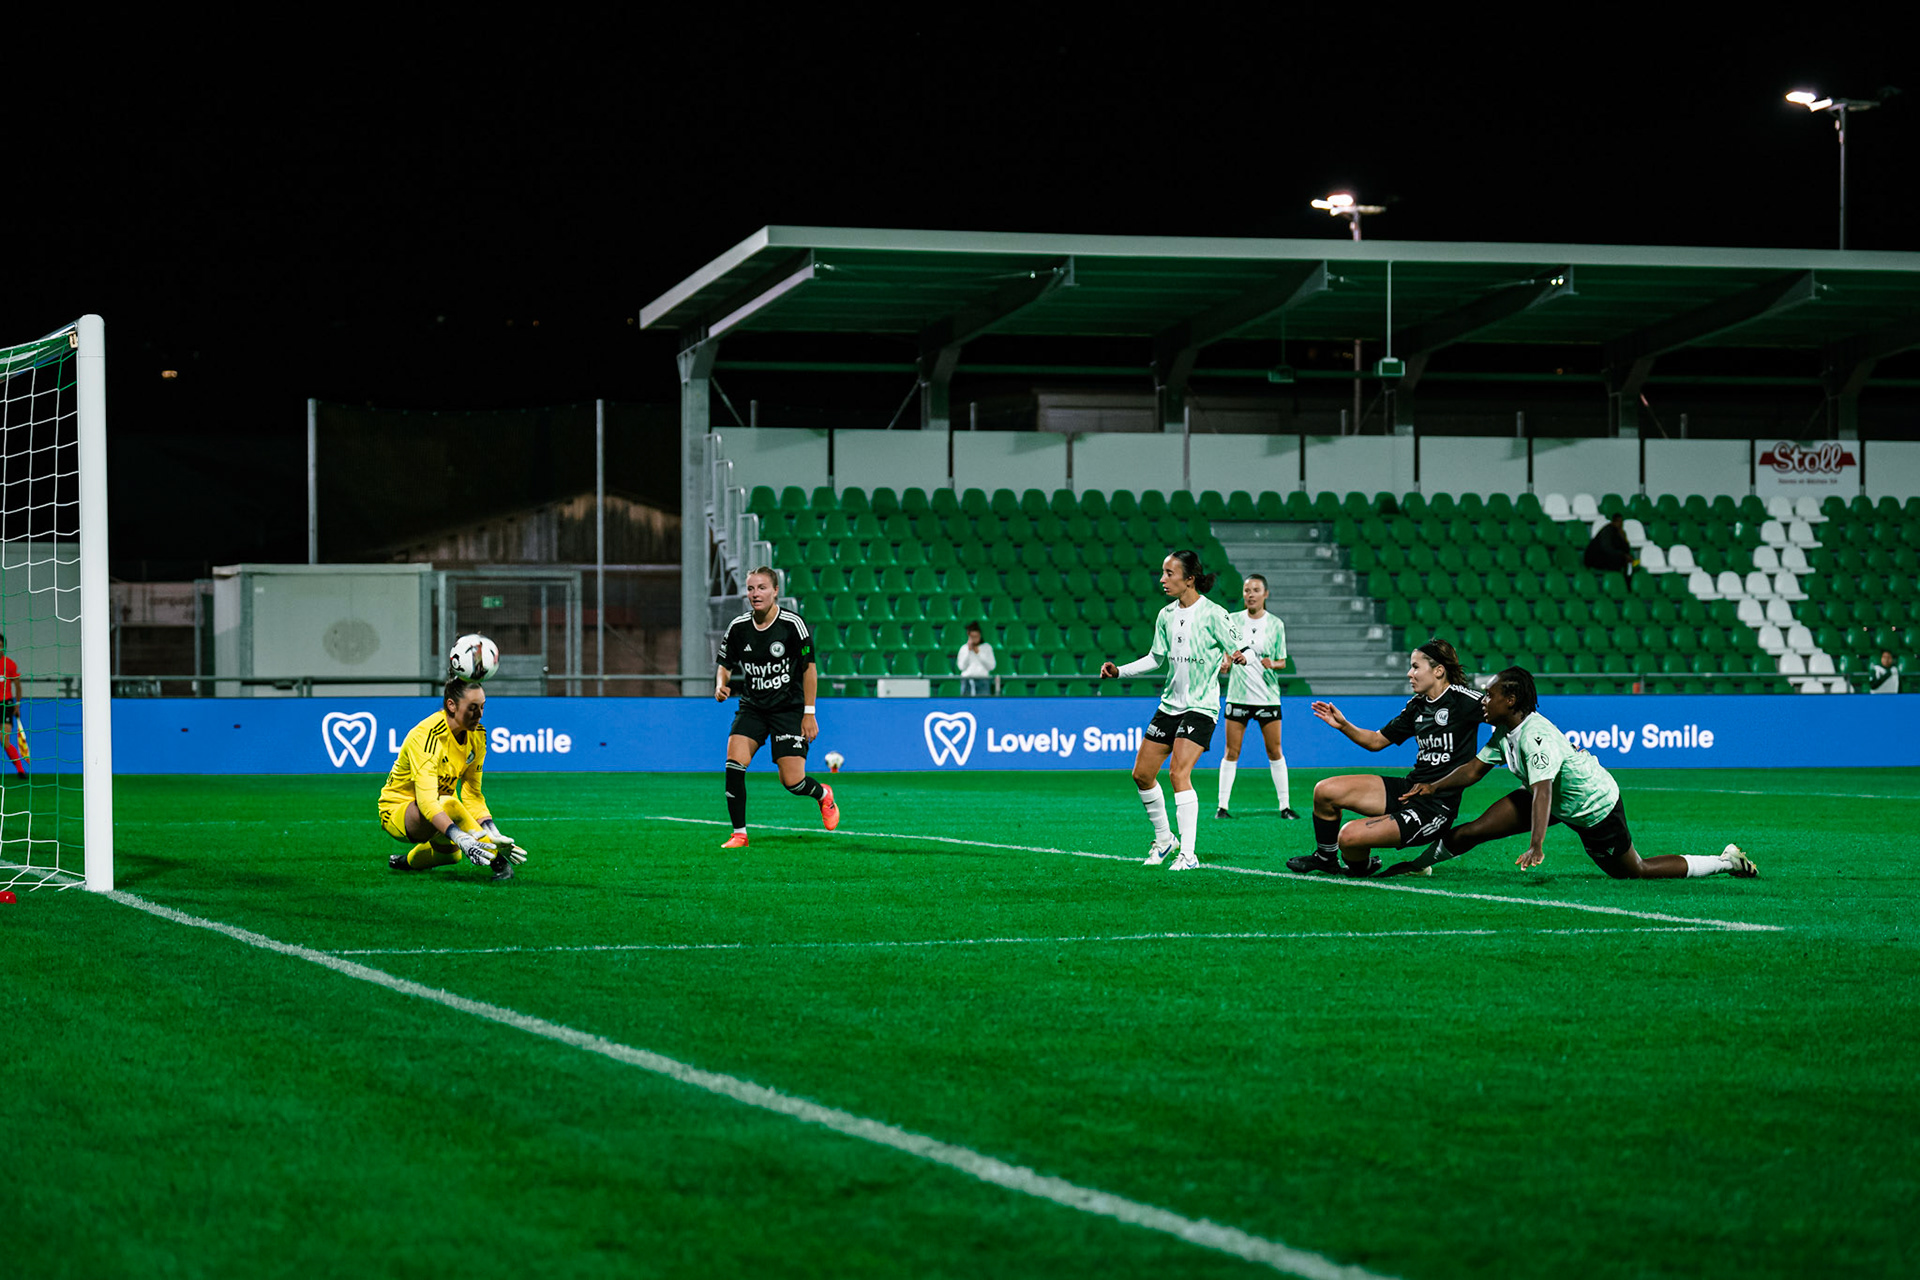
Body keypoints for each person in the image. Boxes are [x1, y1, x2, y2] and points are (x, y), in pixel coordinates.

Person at [1383, 667, 1758, 880]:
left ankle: (1725, 861)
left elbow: (1544, 792)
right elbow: (1473, 770)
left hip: (1593, 806)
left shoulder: (1536, 737)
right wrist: (1431, 787)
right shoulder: (1505, 732)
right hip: (1550, 799)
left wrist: (1536, 844)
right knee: (1473, 830)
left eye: (1490, 694)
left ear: (1510, 700)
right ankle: (1417, 866)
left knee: (1634, 871)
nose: (1484, 700)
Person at [1285, 639, 1484, 877]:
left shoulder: (1464, 700)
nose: (1410, 673)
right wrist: (1343, 726)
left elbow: (1505, 712)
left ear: (1439, 670)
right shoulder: (1417, 706)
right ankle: (1326, 858)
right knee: (1325, 791)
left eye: (1415, 667)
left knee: (1349, 836)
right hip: (1410, 789)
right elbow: (1376, 741)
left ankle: (1362, 867)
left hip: (1435, 807)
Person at [1099, 549, 1246, 870]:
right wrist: (1119, 671)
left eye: (1169, 573)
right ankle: (1165, 841)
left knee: (1179, 773)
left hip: (1201, 707)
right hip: (1169, 706)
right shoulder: (1165, 614)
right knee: (1141, 774)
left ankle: (1189, 855)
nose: (1163, 579)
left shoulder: (1214, 614)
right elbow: (1155, 658)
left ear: (1189, 579)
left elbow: (1239, 643)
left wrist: (1234, 656)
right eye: (1163, 573)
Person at [716, 565, 839, 848]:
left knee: (793, 782)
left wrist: (809, 713)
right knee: (734, 764)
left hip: (789, 709)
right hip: (753, 707)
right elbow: (725, 663)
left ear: (775, 591)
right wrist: (720, 684)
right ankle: (739, 834)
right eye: (750, 588)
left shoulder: (792, 625)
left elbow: (809, 669)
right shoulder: (738, 627)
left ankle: (823, 795)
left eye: (761, 588)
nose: (755, 594)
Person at [380, 677, 524, 881]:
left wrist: (492, 831)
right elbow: (427, 802)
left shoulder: (477, 736)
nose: (480, 715)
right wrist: (461, 837)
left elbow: (472, 794)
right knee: (449, 803)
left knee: (452, 855)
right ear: (451, 705)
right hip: (399, 812)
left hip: (440, 809)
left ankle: (404, 862)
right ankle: (498, 863)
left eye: (483, 707)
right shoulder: (427, 736)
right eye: (473, 708)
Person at [1216, 574, 1299, 821]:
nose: (1250, 594)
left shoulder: (1276, 624)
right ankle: (1222, 807)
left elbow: (1283, 661)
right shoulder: (1231, 620)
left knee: (1274, 751)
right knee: (1231, 751)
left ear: (1266, 594)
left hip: (1267, 697)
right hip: (1238, 695)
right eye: (1246, 590)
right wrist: (1225, 663)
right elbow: (1225, 653)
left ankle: (1285, 806)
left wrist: (1271, 663)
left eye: (1255, 590)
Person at [0, 632, 23, 777]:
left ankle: (20, 770)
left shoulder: (10, 664)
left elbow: (18, 686)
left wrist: (17, 704)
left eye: (1, 646)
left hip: (6, 704)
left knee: (4, 739)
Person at [1583, 512, 1633, 577]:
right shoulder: (1607, 531)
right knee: (1617, 559)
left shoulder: (1620, 533)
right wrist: (1623, 555)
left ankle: (1625, 581)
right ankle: (1614, 579)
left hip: (1607, 556)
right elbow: (1607, 548)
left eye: (1621, 522)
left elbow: (1626, 549)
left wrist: (1623, 538)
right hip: (1595, 557)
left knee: (1627, 560)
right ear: (1613, 522)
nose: (1620, 524)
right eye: (1618, 522)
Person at [956, 621, 996, 696]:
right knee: (966, 705)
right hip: (967, 680)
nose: (974, 639)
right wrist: (969, 651)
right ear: (968, 636)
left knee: (984, 704)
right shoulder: (964, 648)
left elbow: (991, 666)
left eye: (976, 636)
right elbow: (961, 667)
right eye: (972, 637)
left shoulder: (987, 647)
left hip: (983, 680)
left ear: (980, 635)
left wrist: (978, 653)